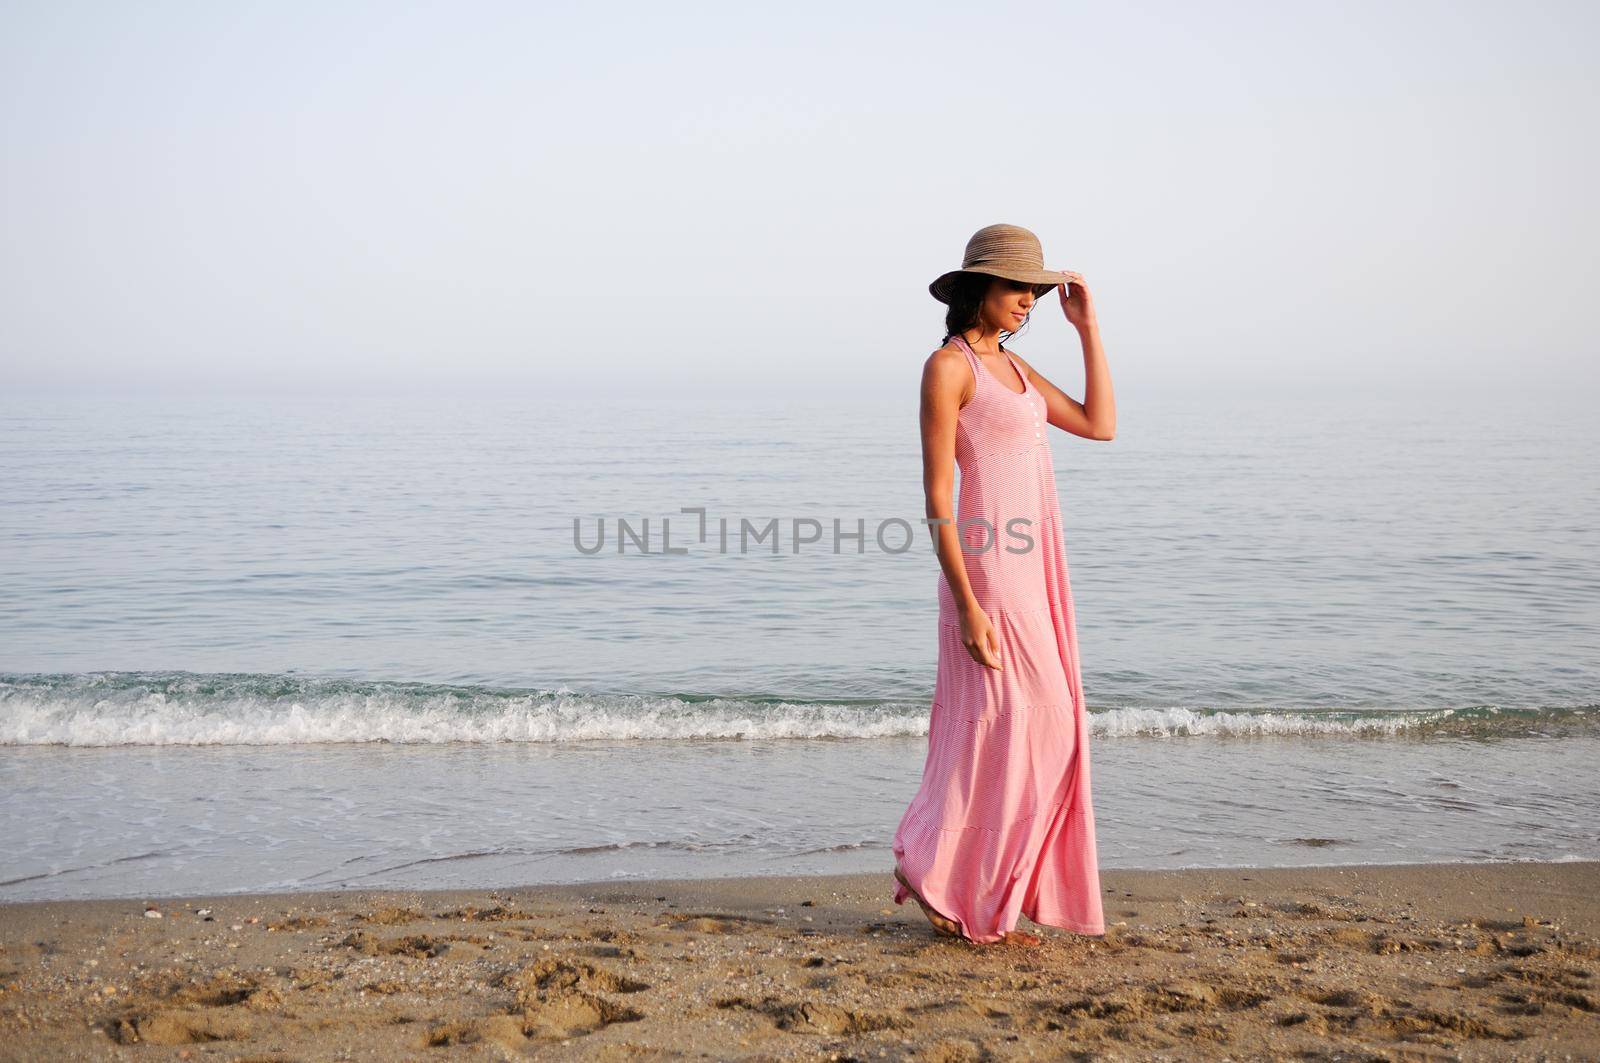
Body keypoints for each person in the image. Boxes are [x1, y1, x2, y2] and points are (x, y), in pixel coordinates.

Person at [890, 223, 1116, 946]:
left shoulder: (1017, 372)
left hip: (1036, 567)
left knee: (1043, 728)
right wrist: (965, 603)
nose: (1029, 301)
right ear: (978, 289)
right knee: (1030, 723)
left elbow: (1099, 423)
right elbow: (936, 497)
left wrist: (1088, 329)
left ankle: (970, 888)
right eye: (1018, 287)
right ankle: (949, 879)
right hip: (990, 571)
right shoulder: (949, 367)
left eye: (1036, 291)